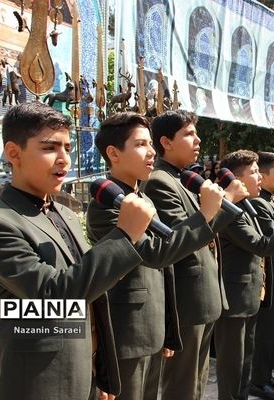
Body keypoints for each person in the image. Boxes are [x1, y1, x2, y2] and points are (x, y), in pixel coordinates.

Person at [0, 102, 157, 400]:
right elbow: (53, 298)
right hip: (37, 379)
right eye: (49, 148)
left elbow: (88, 295)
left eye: (67, 148)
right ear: (14, 153)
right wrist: (124, 236)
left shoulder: (65, 213)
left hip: (82, 372)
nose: (64, 160)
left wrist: (100, 371)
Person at [85, 112, 225, 399]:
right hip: (129, 332)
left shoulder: (142, 198)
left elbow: (166, 273)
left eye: (150, 144)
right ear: (113, 153)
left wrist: (168, 330)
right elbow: (157, 255)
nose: (151, 152)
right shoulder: (107, 206)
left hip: (153, 327)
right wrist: (205, 214)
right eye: (140, 145)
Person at [143, 110, 248, 400]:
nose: (198, 140)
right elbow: (181, 239)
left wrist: (219, 206)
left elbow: (204, 228)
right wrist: (224, 202)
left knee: (197, 380)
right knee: (182, 384)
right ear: (166, 141)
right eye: (188, 134)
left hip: (202, 296)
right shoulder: (160, 181)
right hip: (186, 300)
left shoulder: (184, 179)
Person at [213, 150, 274, 400]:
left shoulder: (246, 206)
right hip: (234, 298)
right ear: (236, 179)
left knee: (246, 360)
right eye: (254, 172)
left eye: (259, 171)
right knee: (233, 367)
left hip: (250, 295)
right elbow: (259, 244)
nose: (259, 177)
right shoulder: (231, 210)